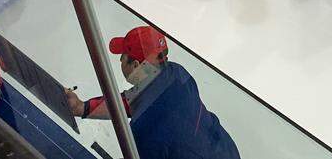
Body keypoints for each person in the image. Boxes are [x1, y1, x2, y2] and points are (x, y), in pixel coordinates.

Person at [65, 26, 240, 159]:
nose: (119, 60)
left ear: (135, 66)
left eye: (123, 57)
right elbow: (129, 101)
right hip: (226, 151)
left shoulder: (142, 126)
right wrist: (82, 107)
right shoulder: (177, 73)